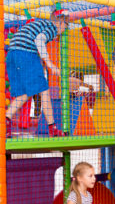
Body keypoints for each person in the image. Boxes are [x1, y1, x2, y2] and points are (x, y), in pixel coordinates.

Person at [5, 9, 84, 137]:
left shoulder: (39, 24)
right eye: (66, 25)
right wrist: (49, 64)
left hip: (12, 55)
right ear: (60, 23)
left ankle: (5, 122)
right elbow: (40, 39)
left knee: (23, 94)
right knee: (44, 91)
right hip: (26, 54)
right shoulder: (52, 28)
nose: (65, 29)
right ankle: (53, 128)